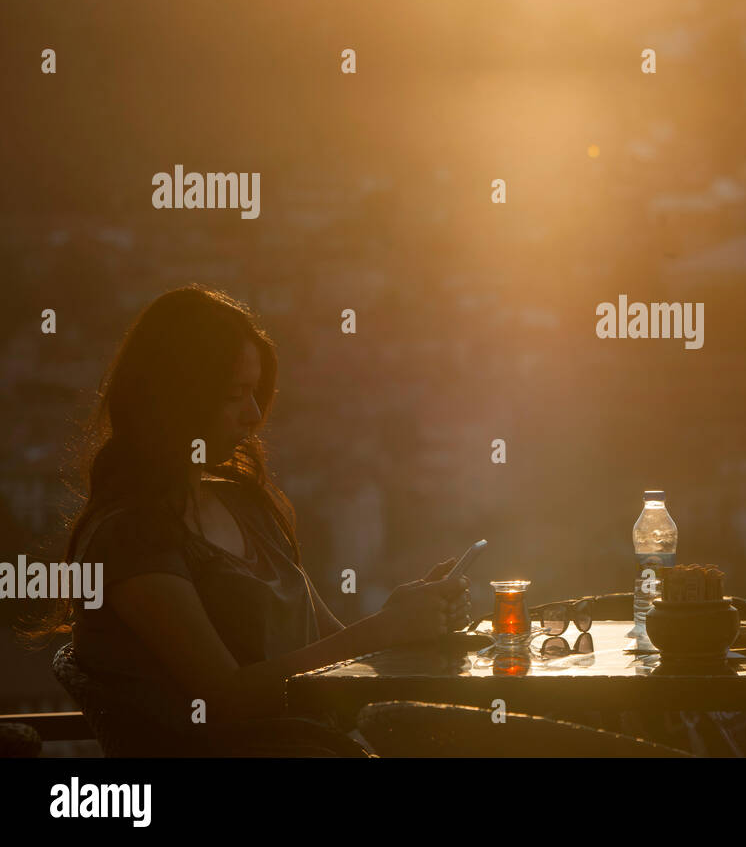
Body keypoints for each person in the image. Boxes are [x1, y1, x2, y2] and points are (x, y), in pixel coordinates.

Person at [20, 285, 471, 755]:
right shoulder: (131, 539)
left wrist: (402, 616)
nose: (254, 415)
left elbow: (334, 645)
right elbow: (225, 697)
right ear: (176, 397)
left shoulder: (245, 506)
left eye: (255, 393)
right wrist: (384, 631)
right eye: (235, 394)